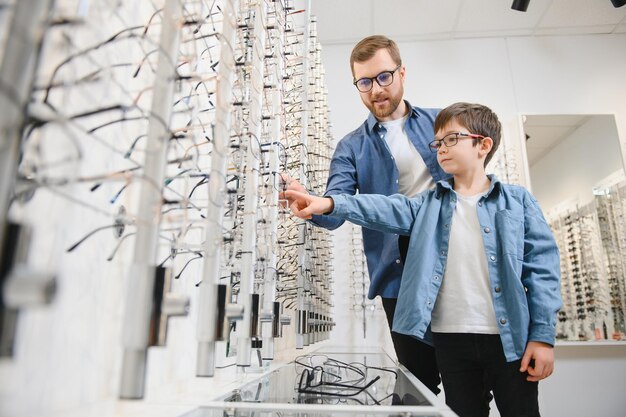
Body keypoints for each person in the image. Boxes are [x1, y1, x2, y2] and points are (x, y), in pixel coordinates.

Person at [285, 102, 562, 417]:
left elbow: (542, 271)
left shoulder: (518, 201)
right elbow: (380, 207)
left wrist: (542, 336)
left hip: (510, 338)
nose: (441, 149)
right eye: (438, 142)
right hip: (451, 339)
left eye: (451, 140)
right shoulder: (426, 205)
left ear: (483, 145)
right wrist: (328, 203)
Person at [281, 35, 448, 394]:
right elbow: (334, 209)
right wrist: (310, 205)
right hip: (398, 278)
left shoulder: (441, 123)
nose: (376, 90)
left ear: (402, 72)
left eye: (384, 77)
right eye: (365, 82)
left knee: (470, 386)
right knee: (417, 387)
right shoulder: (351, 146)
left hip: (454, 267)